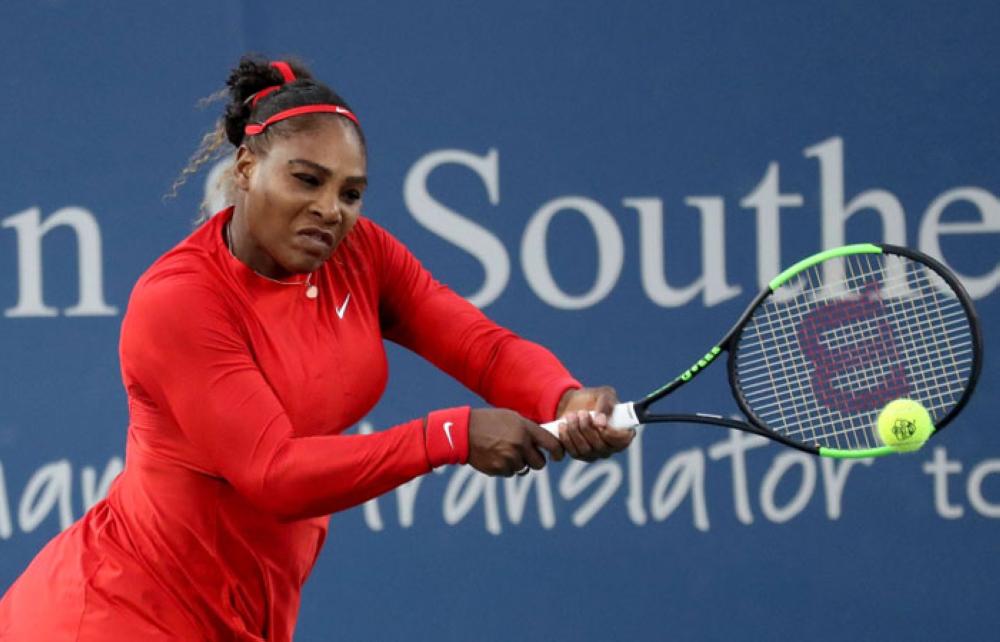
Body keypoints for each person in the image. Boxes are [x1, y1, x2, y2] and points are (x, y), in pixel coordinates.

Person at [0, 55, 634, 641]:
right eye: (307, 180)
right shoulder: (181, 300)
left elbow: (482, 347)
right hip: (111, 614)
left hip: (238, 616)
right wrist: (449, 435)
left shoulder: (361, 254)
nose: (330, 210)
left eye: (350, 193)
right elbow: (273, 474)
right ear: (245, 170)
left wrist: (565, 396)